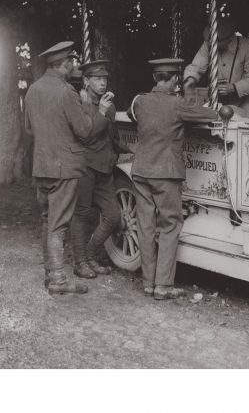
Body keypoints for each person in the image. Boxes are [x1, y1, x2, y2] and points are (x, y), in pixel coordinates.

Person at [25, 41, 113, 294]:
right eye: (73, 62)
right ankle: (59, 281)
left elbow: (29, 129)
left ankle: (51, 275)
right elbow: (85, 131)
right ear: (65, 64)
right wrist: (101, 113)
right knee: (58, 224)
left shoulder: (33, 90)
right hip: (64, 168)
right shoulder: (66, 92)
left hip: (41, 165)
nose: (75, 66)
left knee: (47, 221)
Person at [131, 58, 218, 300]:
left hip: (140, 170)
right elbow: (209, 114)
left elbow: (132, 113)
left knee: (146, 226)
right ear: (176, 79)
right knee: (169, 226)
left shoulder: (141, 101)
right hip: (165, 173)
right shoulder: (177, 104)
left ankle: (148, 283)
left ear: (154, 78)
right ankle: (163, 286)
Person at [71, 60, 128, 279]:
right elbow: (85, 136)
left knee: (113, 216)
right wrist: (101, 113)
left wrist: (122, 150)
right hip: (84, 167)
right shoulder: (78, 103)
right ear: (86, 81)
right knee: (82, 215)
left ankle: (90, 255)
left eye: (104, 79)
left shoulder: (109, 105)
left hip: (104, 168)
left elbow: (110, 136)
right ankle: (80, 262)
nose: (102, 83)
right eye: (97, 79)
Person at [183, 16, 249, 118]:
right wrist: (190, 79)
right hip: (222, 106)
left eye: (216, 43)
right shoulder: (209, 43)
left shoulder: (248, 47)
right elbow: (196, 66)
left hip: (247, 107)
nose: (211, 46)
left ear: (229, 39)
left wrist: (233, 87)